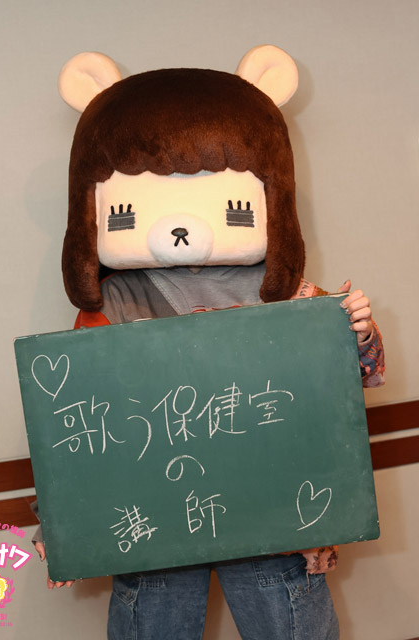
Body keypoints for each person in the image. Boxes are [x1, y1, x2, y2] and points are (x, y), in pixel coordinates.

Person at [32, 46, 385, 639]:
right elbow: (76, 421)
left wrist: (357, 331)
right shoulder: (113, 304)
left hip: (275, 513)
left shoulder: (290, 294)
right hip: (155, 522)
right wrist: (64, 523)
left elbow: (350, 387)